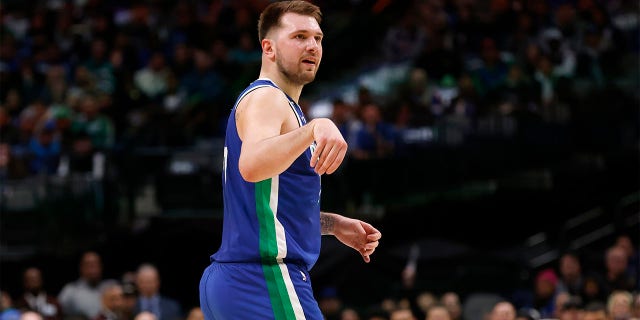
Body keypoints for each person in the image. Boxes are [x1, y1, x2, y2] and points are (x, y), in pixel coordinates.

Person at [198, 1, 382, 319]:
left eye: (318, 38)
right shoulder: (267, 98)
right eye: (299, 36)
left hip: (234, 280)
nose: (312, 45)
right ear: (268, 47)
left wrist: (330, 224)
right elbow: (252, 165)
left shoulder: (273, 105)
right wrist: (315, 127)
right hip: (263, 279)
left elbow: (267, 201)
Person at [58, 251, 117, 320]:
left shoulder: (112, 286)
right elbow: (58, 314)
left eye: (96, 265)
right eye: (89, 265)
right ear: (81, 268)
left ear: (101, 266)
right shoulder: (71, 291)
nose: (93, 269)